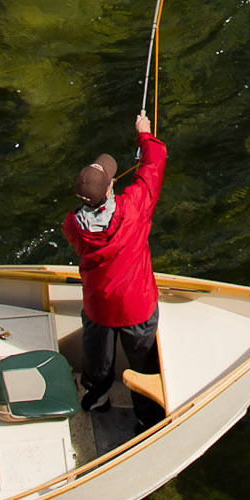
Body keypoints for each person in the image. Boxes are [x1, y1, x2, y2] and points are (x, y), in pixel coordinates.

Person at [62, 110, 166, 414]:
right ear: (110, 189)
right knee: (144, 366)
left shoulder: (73, 225)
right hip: (137, 306)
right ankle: (147, 416)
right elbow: (154, 164)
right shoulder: (133, 207)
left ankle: (96, 399)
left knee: (97, 358)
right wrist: (144, 133)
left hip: (98, 305)